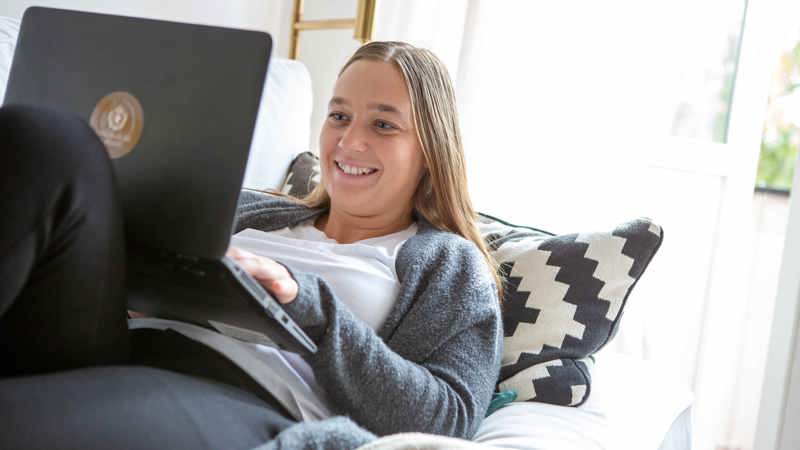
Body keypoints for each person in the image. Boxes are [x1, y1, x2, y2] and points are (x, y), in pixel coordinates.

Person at [0, 41, 503, 449]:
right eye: (339, 116)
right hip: (116, 343)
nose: (349, 142)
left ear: (431, 149)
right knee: (49, 139)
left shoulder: (449, 264)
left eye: (384, 124)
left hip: (242, 399)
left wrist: (308, 305)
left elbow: (446, 419)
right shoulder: (255, 209)